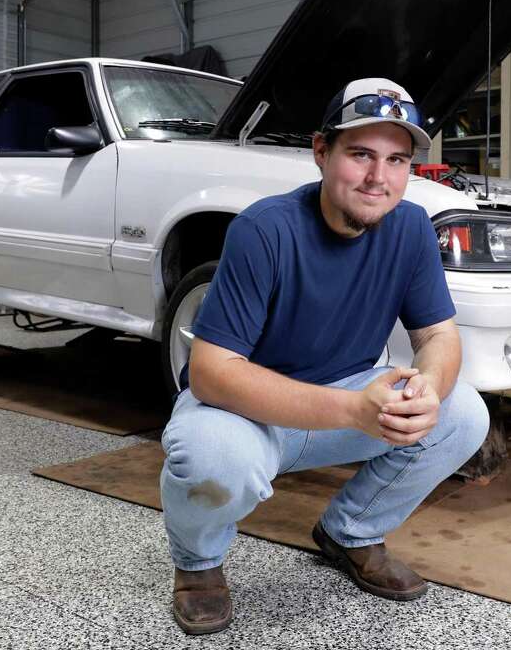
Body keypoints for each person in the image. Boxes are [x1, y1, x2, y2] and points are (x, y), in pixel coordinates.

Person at [159, 77, 490, 634]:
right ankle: (198, 566)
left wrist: (428, 388)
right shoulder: (263, 230)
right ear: (321, 151)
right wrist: (353, 410)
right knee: (213, 458)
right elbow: (212, 374)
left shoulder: (410, 228)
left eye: (396, 160)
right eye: (360, 154)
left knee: (463, 416)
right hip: (244, 413)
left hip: (348, 398)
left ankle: (351, 533)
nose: (377, 178)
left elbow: (439, 336)